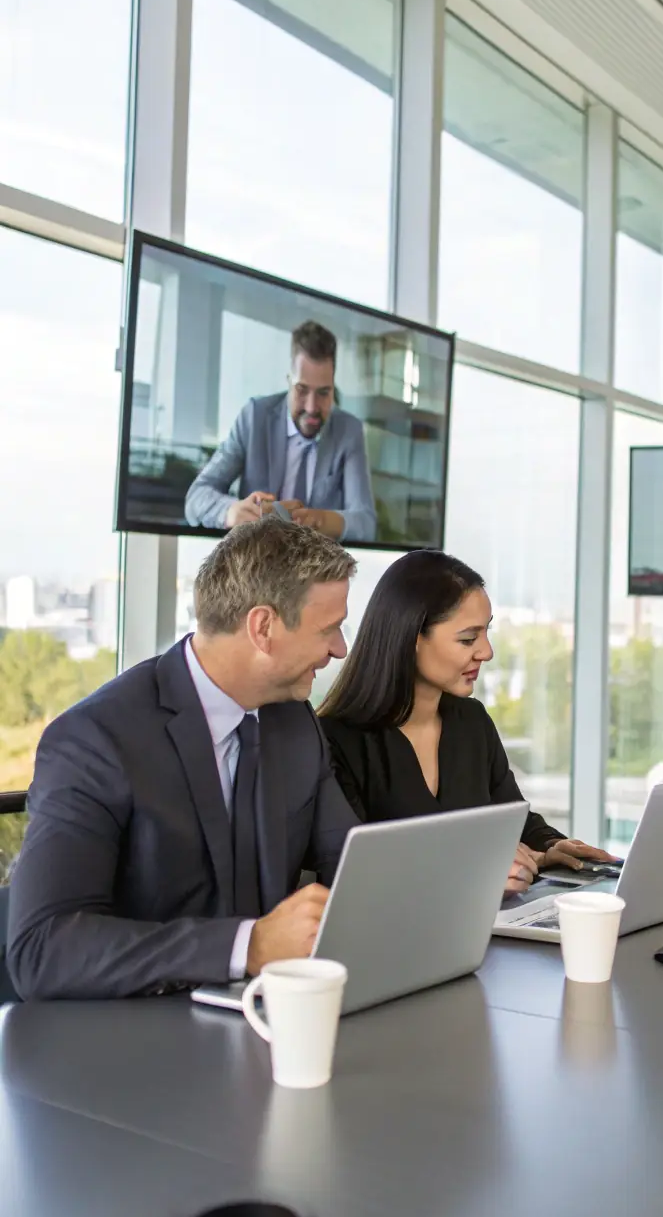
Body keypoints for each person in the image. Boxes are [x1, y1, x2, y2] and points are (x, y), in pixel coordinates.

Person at [7, 517, 362, 1000]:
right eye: (331, 628)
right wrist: (248, 946)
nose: (340, 649)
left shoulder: (295, 723)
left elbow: (354, 862)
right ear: (263, 627)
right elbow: (41, 950)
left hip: (263, 1026)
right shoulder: (96, 740)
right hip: (133, 1044)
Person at [317, 550, 617, 894]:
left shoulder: (471, 722)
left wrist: (550, 846)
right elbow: (352, 874)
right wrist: (475, 873)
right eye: (468, 639)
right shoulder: (335, 741)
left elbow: (514, 821)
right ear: (412, 637)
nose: (486, 651)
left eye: (486, 633)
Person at [184, 319, 377, 542]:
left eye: (324, 393)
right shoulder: (254, 416)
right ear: (288, 382)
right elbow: (196, 497)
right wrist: (232, 512)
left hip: (317, 571)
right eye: (302, 390)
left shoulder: (348, 431)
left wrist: (316, 520)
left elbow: (365, 523)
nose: (312, 407)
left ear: (333, 387)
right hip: (256, 567)